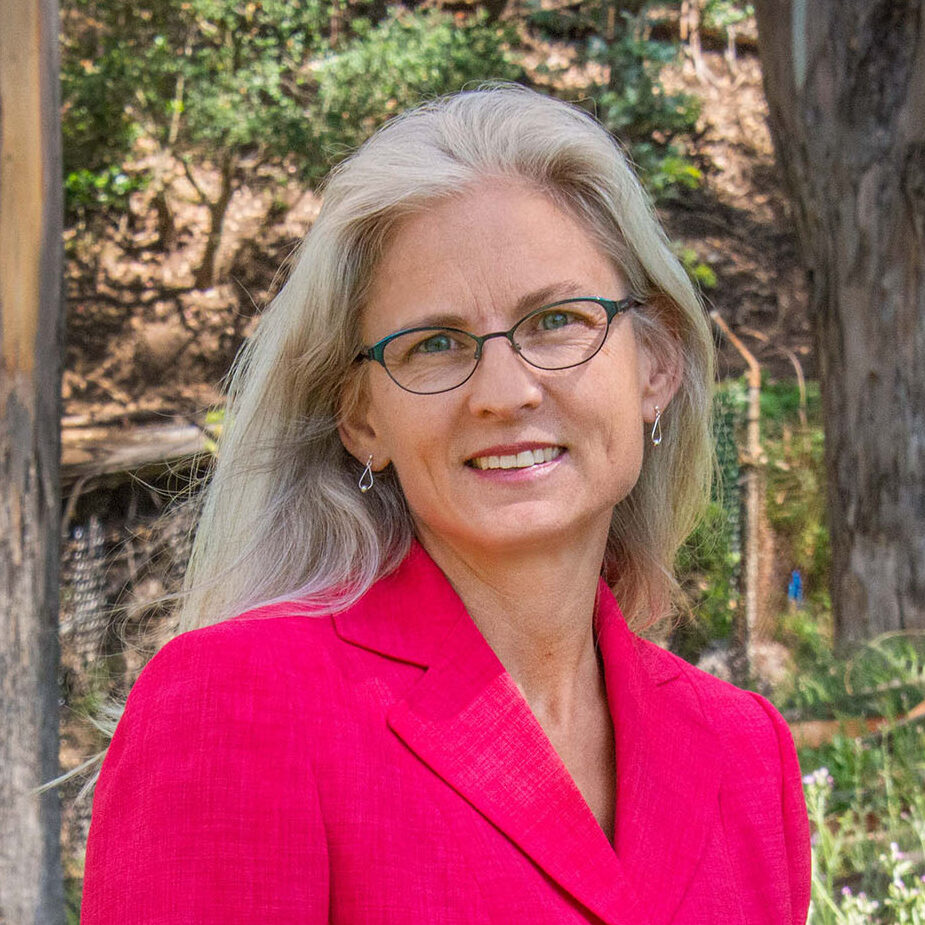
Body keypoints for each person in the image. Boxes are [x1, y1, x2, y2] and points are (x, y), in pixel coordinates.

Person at [81, 84, 811, 924]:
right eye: (434, 344)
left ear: (654, 365)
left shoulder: (745, 754)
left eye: (557, 320)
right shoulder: (238, 705)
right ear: (361, 417)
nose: (504, 392)